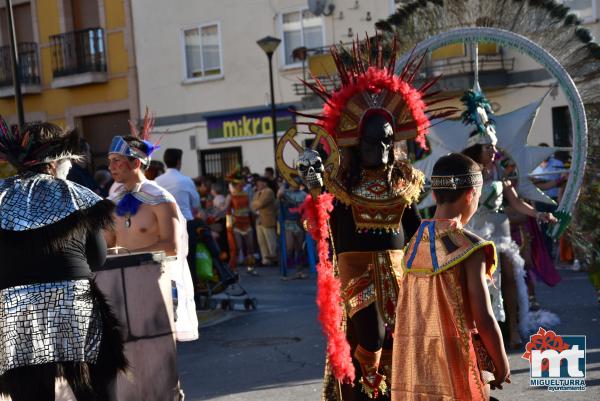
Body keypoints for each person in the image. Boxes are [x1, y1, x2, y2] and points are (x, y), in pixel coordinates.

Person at [288, 37, 439, 400]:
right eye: (373, 142)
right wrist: (316, 192)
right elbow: (320, 228)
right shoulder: (340, 184)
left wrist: (443, 253)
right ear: (357, 142)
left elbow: (416, 230)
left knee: (399, 338)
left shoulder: (404, 183)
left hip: (398, 273)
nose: (381, 149)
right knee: (370, 336)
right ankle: (365, 390)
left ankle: (389, 391)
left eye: (387, 141)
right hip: (356, 272)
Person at [0, 120, 126, 400]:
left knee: (31, 393)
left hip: (17, 309)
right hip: (73, 302)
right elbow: (98, 257)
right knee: (96, 389)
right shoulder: (76, 194)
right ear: (57, 160)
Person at [391, 153, 510, 401]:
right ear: (471, 195)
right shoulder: (469, 248)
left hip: (418, 367)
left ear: (434, 195)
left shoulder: (413, 245)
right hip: (458, 363)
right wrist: (501, 363)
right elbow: (484, 316)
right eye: (477, 195)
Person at [461, 89, 557, 349]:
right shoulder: (467, 177)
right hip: (475, 237)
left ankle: (513, 330)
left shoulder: (500, 176)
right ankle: (481, 336)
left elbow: (516, 203)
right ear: (477, 149)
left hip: (500, 236)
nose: (494, 151)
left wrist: (540, 214)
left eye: (494, 147)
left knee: (511, 281)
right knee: (479, 287)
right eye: (489, 147)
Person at [103, 112, 198, 343]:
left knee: (158, 355)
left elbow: (172, 247)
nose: (111, 166)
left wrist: (127, 257)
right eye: (110, 161)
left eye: (117, 160)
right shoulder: (112, 201)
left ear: (136, 163)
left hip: (155, 286)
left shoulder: (161, 199)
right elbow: (108, 245)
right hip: (121, 289)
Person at [225, 168, 257, 275]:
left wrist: (257, 214)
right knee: (237, 247)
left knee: (250, 246)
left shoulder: (246, 195)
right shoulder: (231, 196)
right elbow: (226, 209)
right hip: (237, 224)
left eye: (242, 184)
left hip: (247, 223)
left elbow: (250, 208)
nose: (241, 185)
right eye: (239, 184)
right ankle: (234, 269)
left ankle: (250, 267)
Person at [277, 182, 309, 278]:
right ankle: (287, 270)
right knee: (289, 248)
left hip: (299, 223)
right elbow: (279, 194)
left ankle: (299, 271)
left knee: (299, 249)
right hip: (288, 224)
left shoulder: (303, 194)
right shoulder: (285, 193)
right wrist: (284, 183)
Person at [252, 176, 279, 267]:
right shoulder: (257, 193)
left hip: (267, 219)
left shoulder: (269, 192)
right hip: (258, 219)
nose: (257, 184)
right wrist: (256, 204)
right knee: (262, 241)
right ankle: (265, 260)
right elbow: (252, 205)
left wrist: (255, 203)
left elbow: (260, 204)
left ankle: (274, 258)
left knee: (270, 240)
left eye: (259, 182)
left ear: (264, 183)